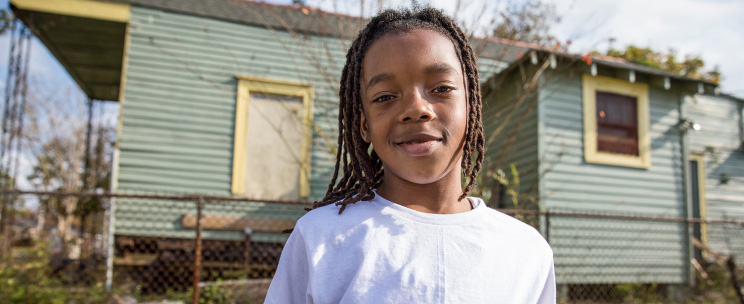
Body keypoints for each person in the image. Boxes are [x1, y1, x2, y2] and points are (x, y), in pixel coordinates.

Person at [265, 7, 555, 303]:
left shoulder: (526, 251)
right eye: (385, 97)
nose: (417, 108)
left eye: (442, 88)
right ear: (364, 125)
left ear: (471, 108)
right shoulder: (320, 239)